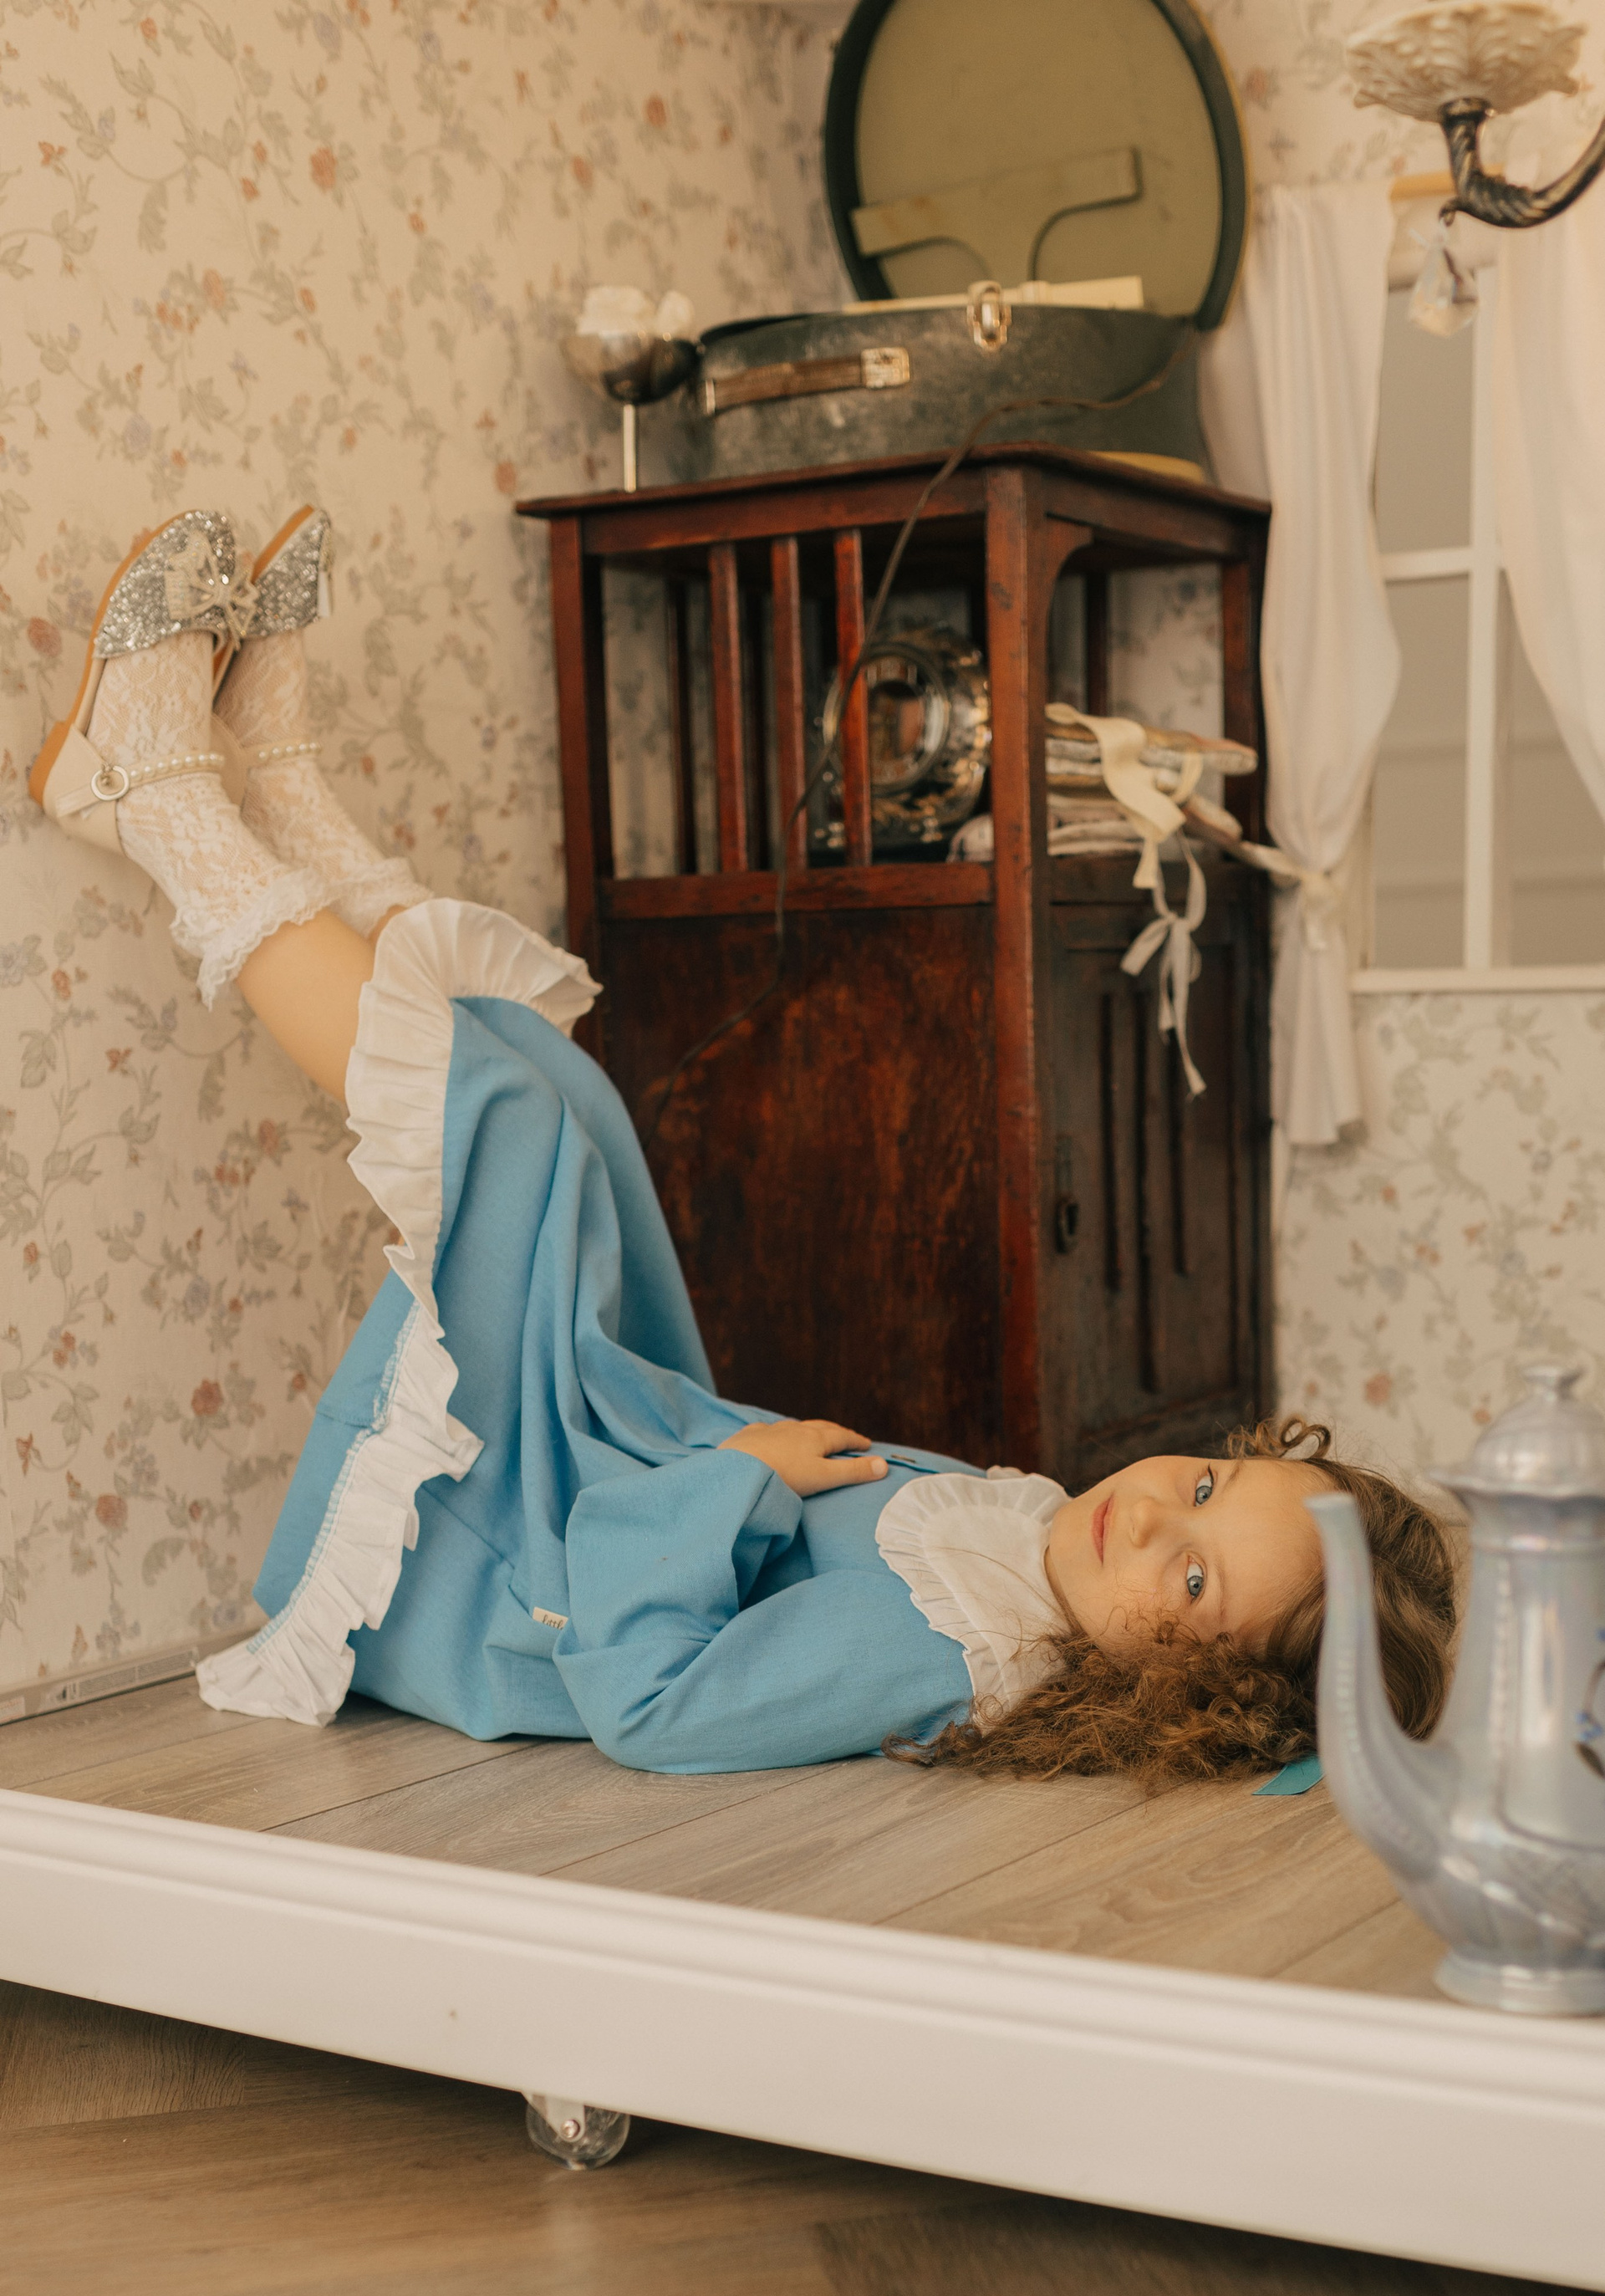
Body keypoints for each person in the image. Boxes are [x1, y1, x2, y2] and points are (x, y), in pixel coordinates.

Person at [31, 510, 1459, 1781]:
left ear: (1195, 1697)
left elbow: (654, 1704)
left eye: (1196, 1582)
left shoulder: (943, 1649)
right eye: (1204, 1487)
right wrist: (729, 1466)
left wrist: (743, 1482)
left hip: (502, 1576)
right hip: (628, 1469)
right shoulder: (1031, 1555)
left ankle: (166, 806)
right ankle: (280, 806)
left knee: (507, 1125)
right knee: (565, 1093)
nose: (1149, 1523)